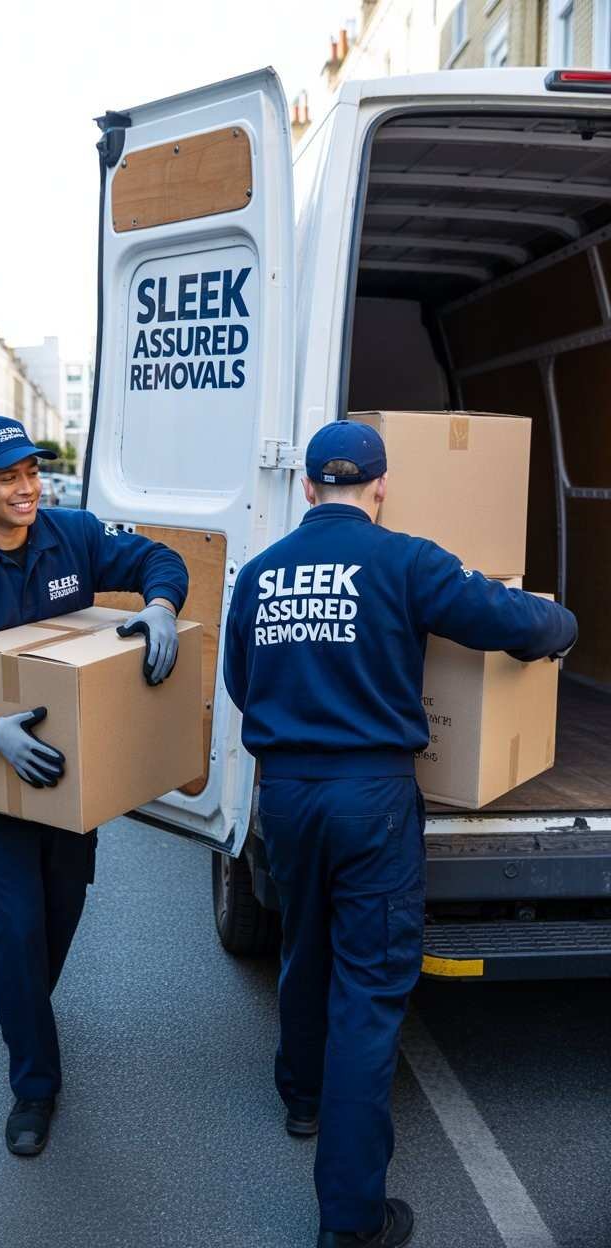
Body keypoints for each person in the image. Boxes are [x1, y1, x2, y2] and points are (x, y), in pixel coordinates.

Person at [222, 419, 576, 1248]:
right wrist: (560, 628)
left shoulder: (263, 573)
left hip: (289, 794)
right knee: (371, 992)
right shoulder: (405, 560)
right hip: (370, 797)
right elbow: (510, 623)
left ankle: (302, 1098)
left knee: (304, 946)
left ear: (308, 487)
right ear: (380, 487)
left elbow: (241, 680)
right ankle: (351, 1221)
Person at [0, 416, 188, 1157]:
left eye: (31, 472)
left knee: (62, 909)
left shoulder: (73, 535)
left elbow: (160, 558)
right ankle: (34, 1084)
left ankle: (26, 1006)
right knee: (16, 923)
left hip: (72, 786)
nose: (26, 488)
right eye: (7, 477)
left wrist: (160, 606)